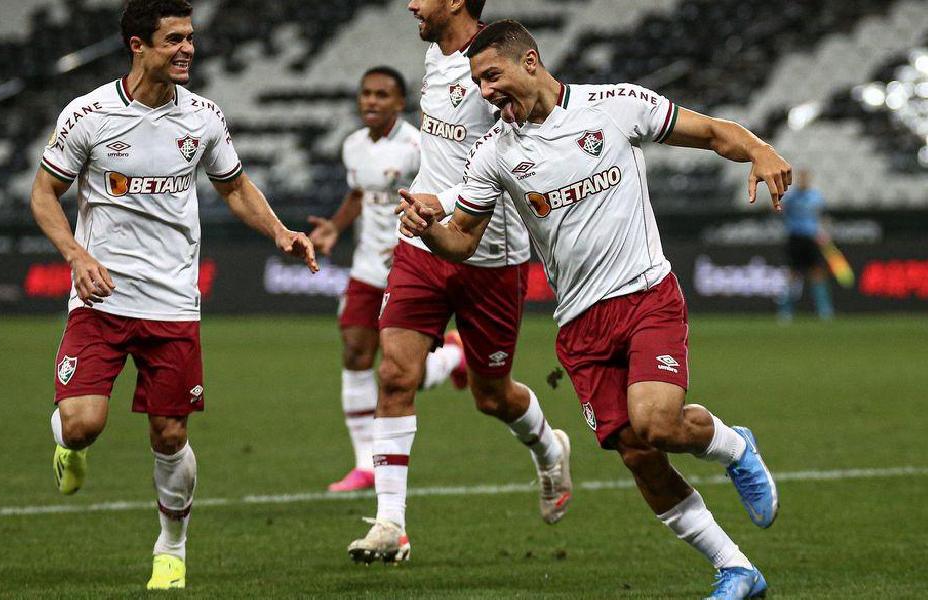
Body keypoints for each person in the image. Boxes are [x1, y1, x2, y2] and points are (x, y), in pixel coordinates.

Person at [398, 21, 786, 599]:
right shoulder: (494, 154)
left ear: (530, 61)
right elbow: (463, 240)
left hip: (645, 295)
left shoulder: (615, 105)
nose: (485, 92)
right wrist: (428, 230)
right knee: (636, 450)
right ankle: (736, 570)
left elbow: (707, 132)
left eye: (492, 76)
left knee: (655, 423)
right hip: (579, 323)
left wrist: (758, 149)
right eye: (477, 83)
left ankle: (734, 446)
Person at [29, 0, 316, 589]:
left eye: (190, 38)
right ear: (138, 45)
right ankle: (68, 446)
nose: (187, 49)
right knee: (81, 425)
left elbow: (234, 187)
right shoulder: (88, 115)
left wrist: (280, 231)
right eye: (174, 39)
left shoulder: (204, 118)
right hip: (102, 299)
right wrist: (76, 255)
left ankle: (171, 547)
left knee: (171, 434)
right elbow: (42, 194)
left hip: (173, 302)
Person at [347, 0, 572, 564]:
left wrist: (440, 201)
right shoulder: (433, 51)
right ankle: (390, 524)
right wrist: (428, 207)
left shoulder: (497, 72)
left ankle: (549, 447)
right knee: (395, 373)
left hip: (489, 254)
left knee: (491, 397)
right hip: (423, 243)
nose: (410, 4)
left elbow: (511, 161)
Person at [307, 66, 466, 493]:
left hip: (407, 263)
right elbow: (359, 194)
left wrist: (419, 241)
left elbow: (439, 199)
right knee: (356, 352)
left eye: (382, 95)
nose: (371, 101)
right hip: (365, 267)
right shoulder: (353, 146)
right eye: (366, 94)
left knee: (399, 371)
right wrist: (335, 228)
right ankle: (365, 464)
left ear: (400, 102)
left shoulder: (417, 147)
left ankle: (452, 357)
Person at [776, 169, 833, 321]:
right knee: (793, 275)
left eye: (805, 178)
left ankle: (824, 310)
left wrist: (824, 233)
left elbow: (822, 216)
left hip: (811, 238)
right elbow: (778, 209)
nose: (803, 180)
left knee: (817, 274)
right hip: (795, 237)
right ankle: (785, 311)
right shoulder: (790, 196)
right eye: (801, 178)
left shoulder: (816, 197)